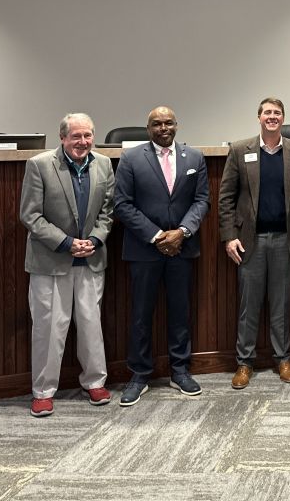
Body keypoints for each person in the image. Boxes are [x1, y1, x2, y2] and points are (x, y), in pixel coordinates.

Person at [113, 106, 210, 406]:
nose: (163, 128)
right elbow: (122, 204)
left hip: (182, 246)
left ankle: (179, 370)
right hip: (145, 249)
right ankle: (139, 374)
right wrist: (157, 236)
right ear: (148, 128)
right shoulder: (130, 158)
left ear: (177, 126)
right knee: (141, 314)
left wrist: (182, 231)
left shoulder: (193, 158)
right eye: (157, 123)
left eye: (168, 123)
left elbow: (201, 200)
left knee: (180, 311)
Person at [20, 113, 114, 417]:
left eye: (87, 136)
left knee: (91, 325)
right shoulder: (39, 165)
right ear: (62, 138)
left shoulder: (104, 164)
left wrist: (96, 240)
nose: (83, 142)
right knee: (49, 328)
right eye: (76, 136)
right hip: (51, 260)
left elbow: (108, 211)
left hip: (90, 259)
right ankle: (43, 391)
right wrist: (66, 242)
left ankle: (95, 382)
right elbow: (31, 215)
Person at [219, 97, 290, 389]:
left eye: (277, 113)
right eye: (267, 113)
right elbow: (226, 198)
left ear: (283, 118)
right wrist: (229, 236)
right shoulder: (239, 149)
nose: (272, 117)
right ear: (259, 118)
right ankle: (244, 363)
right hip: (251, 242)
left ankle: (282, 359)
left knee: (281, 303)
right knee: (249, 304)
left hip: (286, 240)